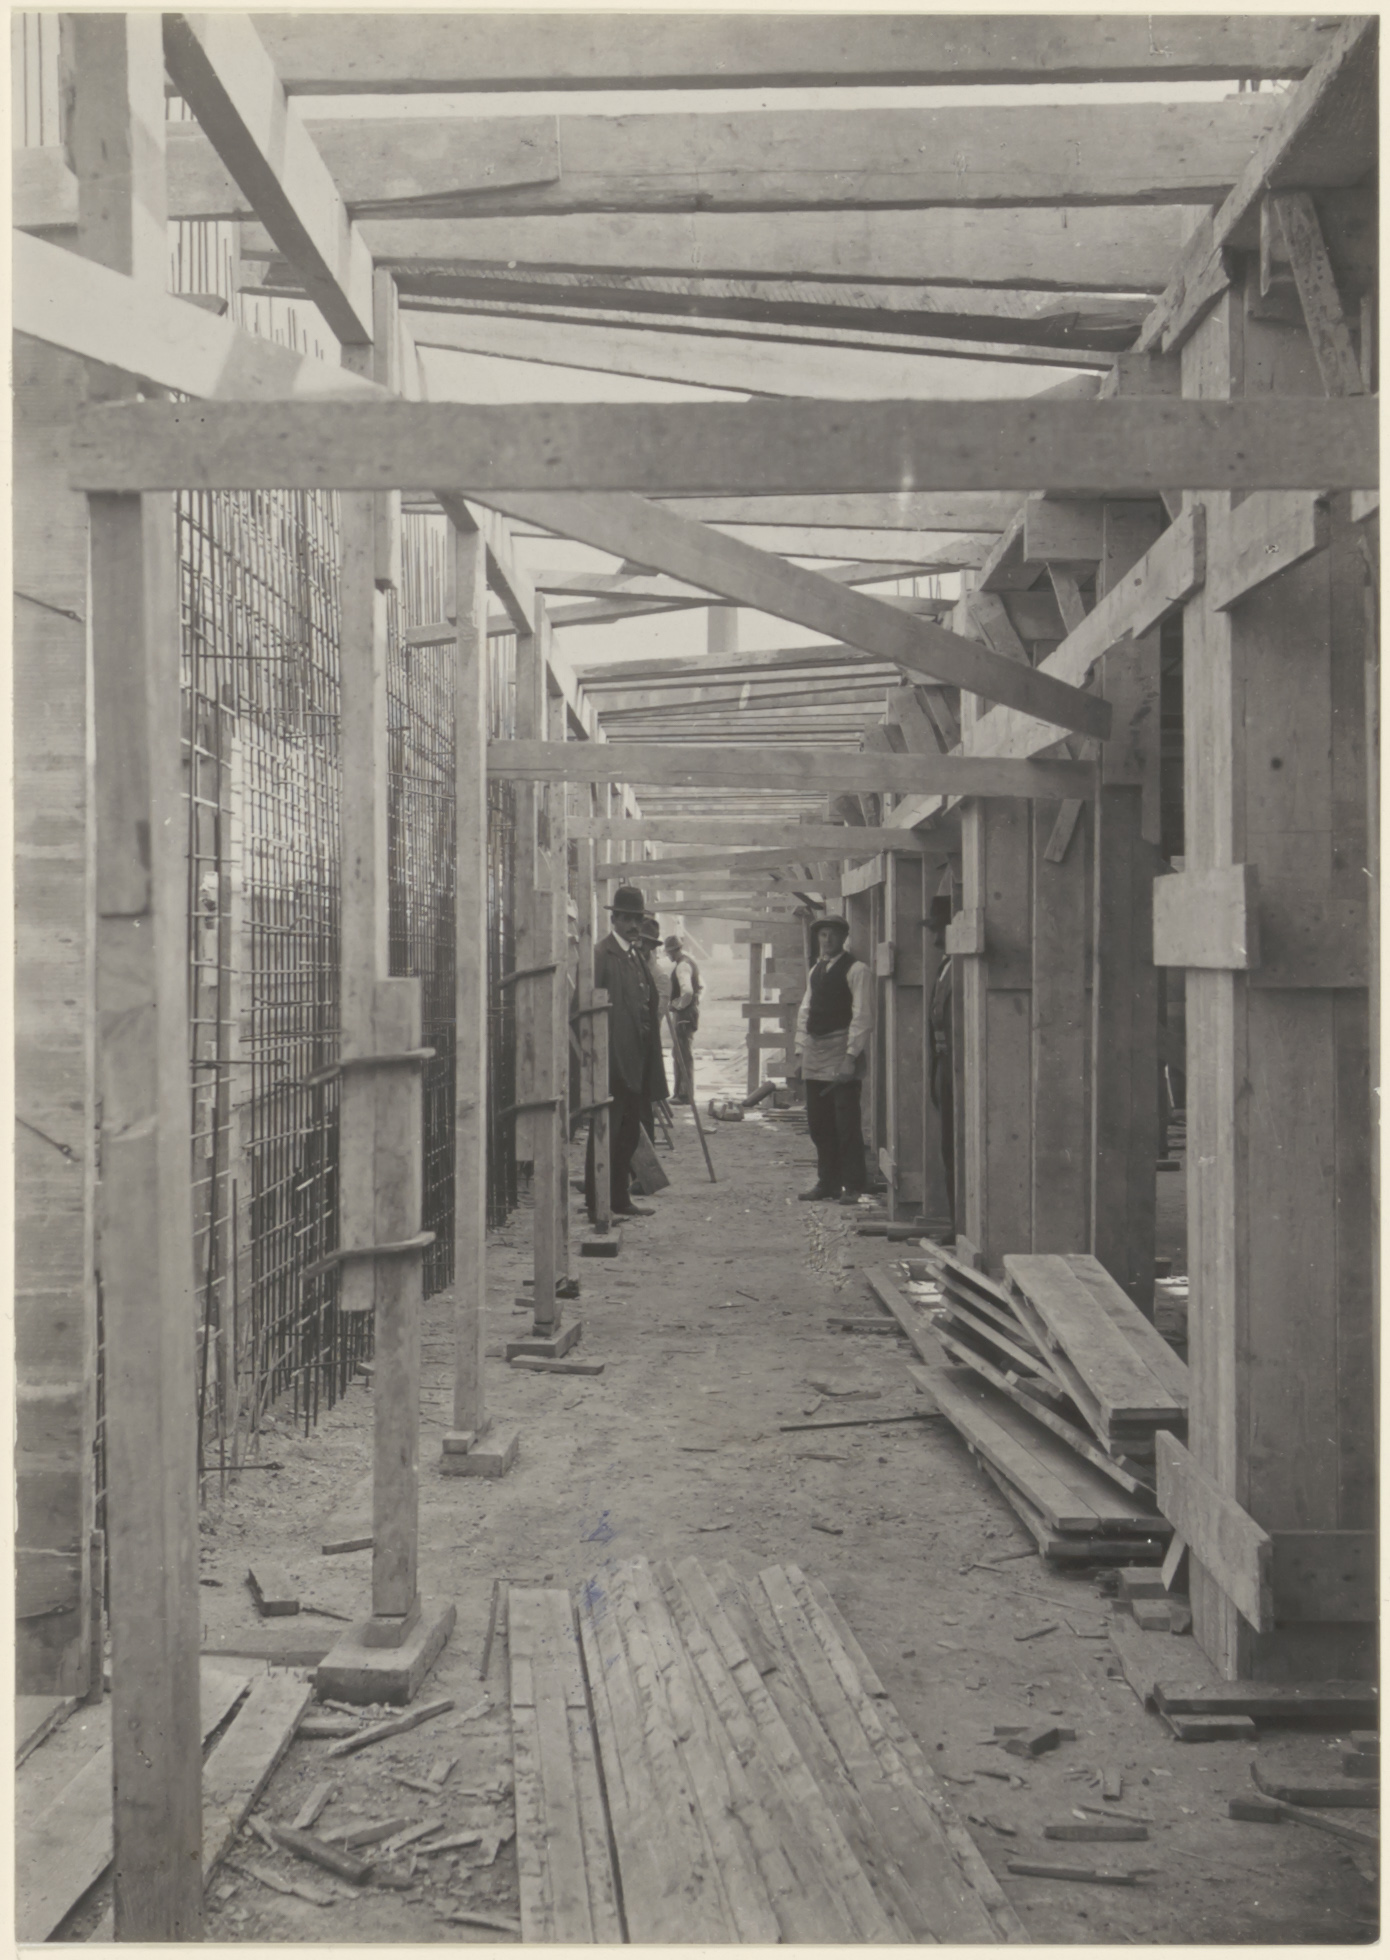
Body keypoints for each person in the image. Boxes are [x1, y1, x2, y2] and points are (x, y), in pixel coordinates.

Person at [585, 885, 662, 1222]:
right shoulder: (602, 955)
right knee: (607, 1132)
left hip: (637, 1059)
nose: (633, 925)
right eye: (627, 918)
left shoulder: (634, 955)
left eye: (637, 919)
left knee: (629, 1133)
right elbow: (585, 1010)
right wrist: (598, 1057)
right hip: (611, 1061)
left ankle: (618, 1198)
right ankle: (597, 1203)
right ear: (613, 919)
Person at [793, 915, 873, 1205]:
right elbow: (806, 1010)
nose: (827, 940)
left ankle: (853, 1184)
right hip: (815, 1051)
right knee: (819, 1123)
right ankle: (827, 1183)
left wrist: (851, 1057)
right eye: (822, 935)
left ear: (844, 938)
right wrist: (801, 1051)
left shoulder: (857, 970)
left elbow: (862, 1015)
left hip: (841, 1051)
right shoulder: (816, 970)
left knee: (846, 1122)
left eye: (833, 935)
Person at [927, 884, 956, 1231]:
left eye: (939, 930)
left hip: (957, 1067)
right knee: (948, 1145)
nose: (935, 939)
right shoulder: (944, 967)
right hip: (944, 1065)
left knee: (957, 1145)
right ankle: (955, 1221)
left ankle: (962, 1223)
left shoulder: (961, 969)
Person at [663, 933, 701, 1103]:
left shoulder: (682, 966)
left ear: (672, 951)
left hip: (684, 1014)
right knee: (681, 1052)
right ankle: (681, 1093)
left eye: (668, 952)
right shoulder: (689, 962)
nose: (668, 956)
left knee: (682, 1053)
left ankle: (684, 1095)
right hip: (689, 1011)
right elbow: (700, 987)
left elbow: (687, 992)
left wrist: (676, 1005)